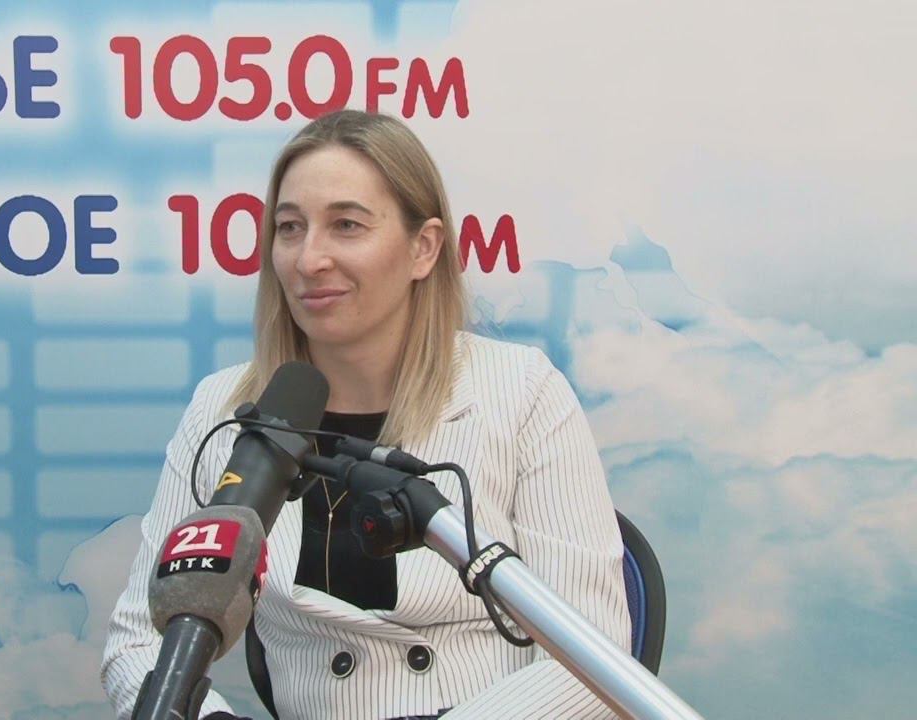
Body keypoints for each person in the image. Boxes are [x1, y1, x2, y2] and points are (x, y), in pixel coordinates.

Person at [101, 110, 630, 720]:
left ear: (423, 248)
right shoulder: (222, 411)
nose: (309, 259)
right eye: (290, 228)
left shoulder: (522, 392)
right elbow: (138, 643)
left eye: (346, 225)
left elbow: (593, 655)